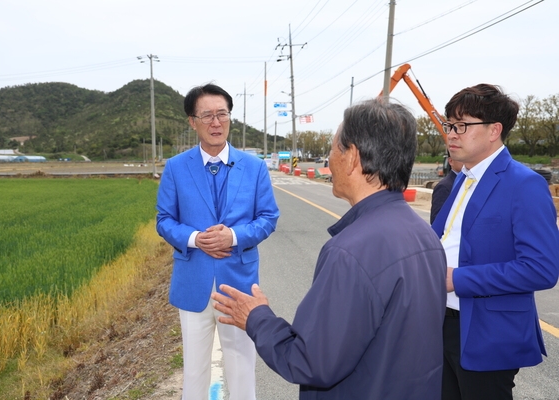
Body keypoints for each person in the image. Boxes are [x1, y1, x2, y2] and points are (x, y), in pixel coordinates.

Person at [212, 98, 447, 399]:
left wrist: (256, 317)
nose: (328, 159)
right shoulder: (424, 235)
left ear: (352, 158)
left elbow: (311, 361)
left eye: (334, 148)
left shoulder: (349, 252)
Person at [431, 83, 559, 400]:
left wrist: (456, 279)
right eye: (449, 125)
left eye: (462, 125)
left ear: (494, 131)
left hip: (487, 334)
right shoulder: (462, 179)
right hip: (440, 326)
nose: (451, 134)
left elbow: (541, 269)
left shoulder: (525, 184)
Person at [156, 83, 280, 400]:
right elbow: (164, 220)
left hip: (238, 283)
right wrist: (197, 239)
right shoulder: (175, 167)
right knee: (194, 370)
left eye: (221, 114)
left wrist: (233, 236)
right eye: (207, 115)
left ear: (230, 118)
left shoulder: (253, 167)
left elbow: (268, 217)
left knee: (241, 366)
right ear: (192, 121)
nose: (215, 122)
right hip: (193, 280)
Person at [430, 153, 463, 223]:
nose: (465, 161)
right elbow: (436, 220)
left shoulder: (467, 182)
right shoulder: (444, 186)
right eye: (461, 159)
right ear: (450, 161)